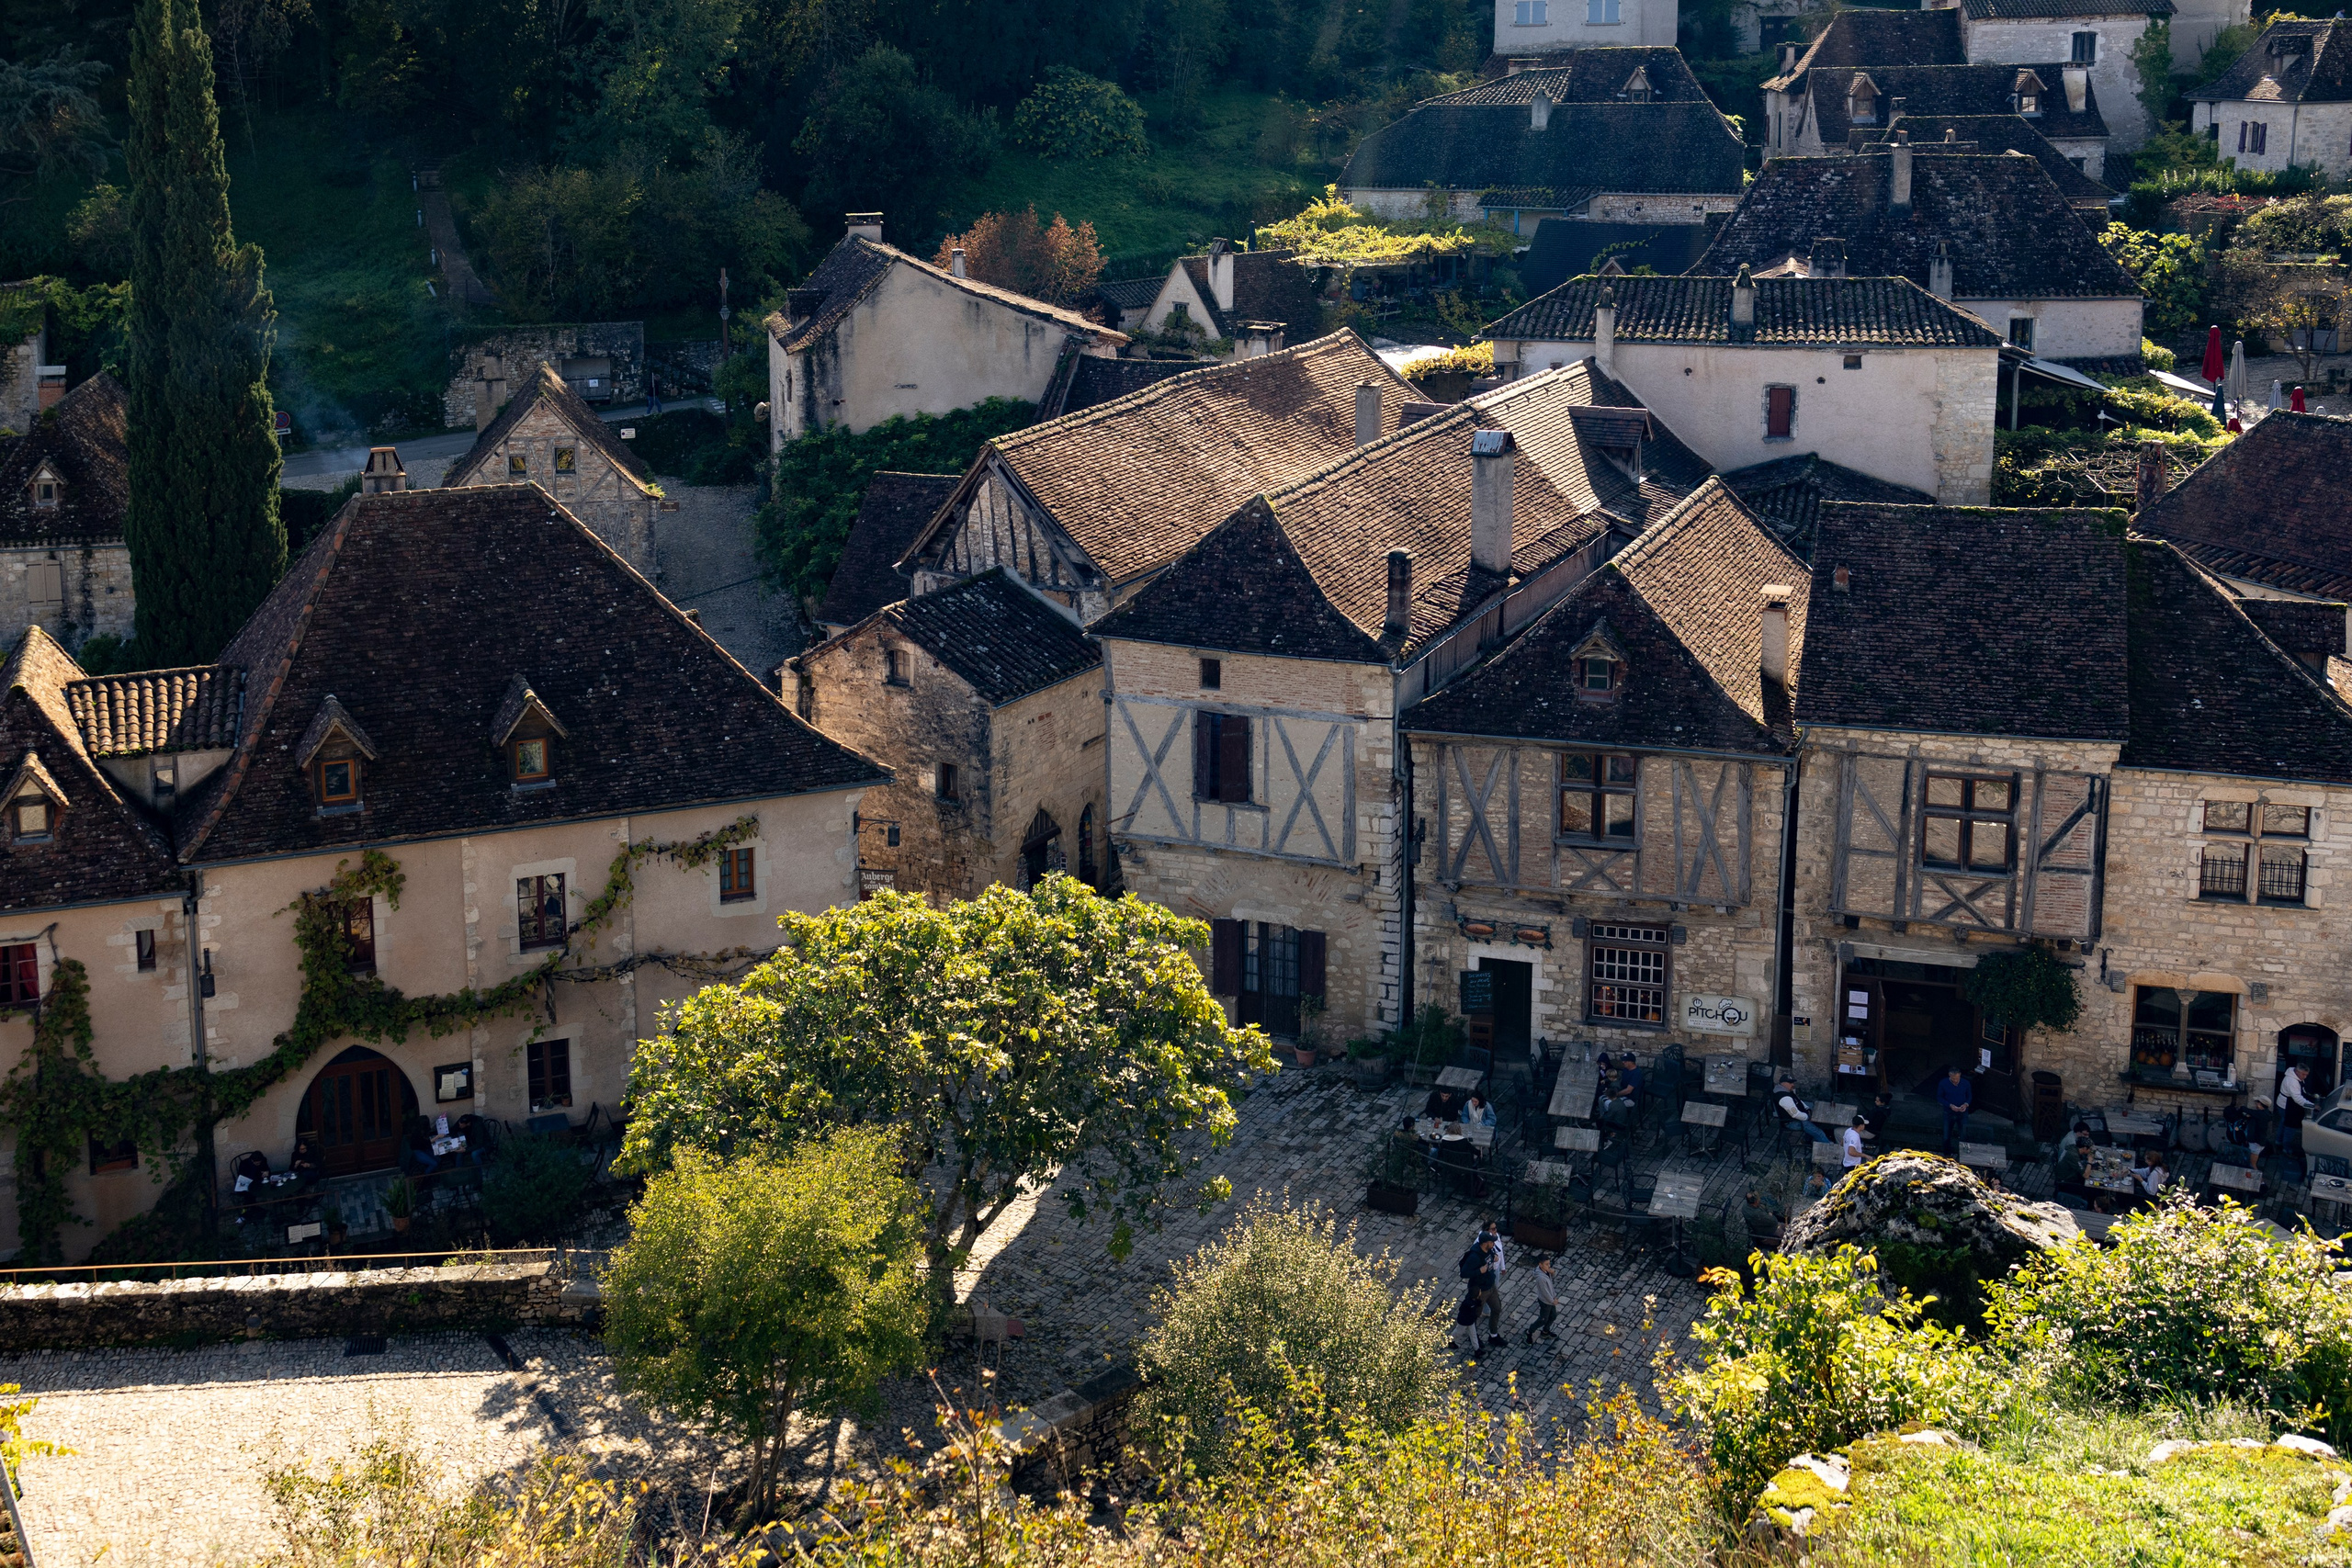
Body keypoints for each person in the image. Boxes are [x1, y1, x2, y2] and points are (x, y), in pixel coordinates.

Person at [1776, 1074, 1830, 1144]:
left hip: (1799, 1117)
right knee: (1819, 1133)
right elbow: (1795, 1115)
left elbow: (1798, 1100)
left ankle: (1806, 1140)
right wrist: (1808, 1117)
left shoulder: (1787, 1090)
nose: (1793, 1084)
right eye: (1790, 1083)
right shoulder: (1784, 1098)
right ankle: (1829, 1147)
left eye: (1793, 1082)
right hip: (1792, 1122)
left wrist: (1807, 1109)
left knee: (1818, 1121)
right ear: (1783, 1084)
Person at [1936, 1066, 1973, 1153]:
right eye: (1953, 1079)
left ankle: (1964, 1155)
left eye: (1957, 1078)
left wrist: (1966, 1104)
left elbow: (1969, 1096)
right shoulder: (1943, 1083)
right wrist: (1950, 1105)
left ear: (1960, 1075)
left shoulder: (1965, 1083)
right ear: (1949, 1075)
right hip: (1948, 1112)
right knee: (1946, 1136)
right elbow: (1939, 1097)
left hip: (1962, 1113)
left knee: (1964, 1135)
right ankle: (1947, 1154)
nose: (1955, 1080)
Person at [1526, 1257, 1560, 1343]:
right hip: (1546, 1302)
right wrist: (1553, 1301)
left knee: (1553, 1316)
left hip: (1551, 1299)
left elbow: (1551, 1280)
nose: (1549, 1266)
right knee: (1543, 1320)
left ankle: (1545, 1332)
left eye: (1549, 1263)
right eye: (1547, 1264)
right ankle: (1529, 1331)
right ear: (1540, 1265)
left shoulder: (1546, 1272)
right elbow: (1545, 1292)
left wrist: (1553, 1273)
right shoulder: (1540, 1278)